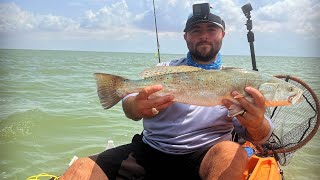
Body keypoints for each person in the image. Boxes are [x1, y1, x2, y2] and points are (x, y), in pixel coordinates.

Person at [60, 3, 273, 180]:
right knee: (81, 169)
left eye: (211, 30)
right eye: (196, 30)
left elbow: (261, 136)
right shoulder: (164, 70)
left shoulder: (239, 79)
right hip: (149, 151)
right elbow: (130, 105)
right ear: (186, 37)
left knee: (230, 151)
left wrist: (256, 122)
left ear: (223, 35)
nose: (204, 36)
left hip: (207, 154)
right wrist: (135, 106)